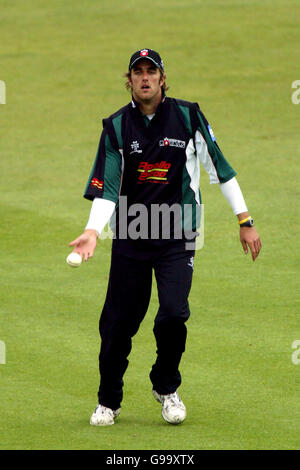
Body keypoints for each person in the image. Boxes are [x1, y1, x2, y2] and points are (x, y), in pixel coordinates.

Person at [69, 48, 262, 426]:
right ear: (130, 79)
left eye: (151, 72)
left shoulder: (188, 116)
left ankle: (166, 387)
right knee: (117, 325)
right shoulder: (116, 127)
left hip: (178, 236)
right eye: (137, 72)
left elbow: (220, 168)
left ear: (161, 78)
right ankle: (108, 401)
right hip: (131, 235)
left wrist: (246, 219)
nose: (145, 78)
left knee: (174, 314)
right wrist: (93, 230)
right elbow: (108, 188)